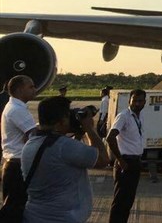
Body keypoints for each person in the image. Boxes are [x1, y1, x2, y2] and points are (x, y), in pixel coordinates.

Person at [21, 96, 110, 223]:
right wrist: (89, 129)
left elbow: (63, 160)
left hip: (34, 215)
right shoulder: (64, 146)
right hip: (61, 218)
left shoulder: (31, 143)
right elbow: (103, 159)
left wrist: (77, 136)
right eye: (68, 117)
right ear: (60, 123)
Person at [1, 76, 37, 223]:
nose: (35, 89)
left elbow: (31, 134)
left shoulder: (16, 107)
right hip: (17, 164)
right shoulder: (17, 110)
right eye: (31, 87)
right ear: (19, 89)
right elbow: (34, 135)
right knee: (15, 209)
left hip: (15, 163)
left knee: (15, 208)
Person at [107, 89, 146, 223]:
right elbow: (110, 138)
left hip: (135, 162)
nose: (137, 103)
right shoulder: (124, 116)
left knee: (127, 201)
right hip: (126, 163)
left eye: (140, 101)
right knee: (120, 202)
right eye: (134, 100)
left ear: (145, 103)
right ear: (129, 101)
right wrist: (120, 160)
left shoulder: (137, 117)